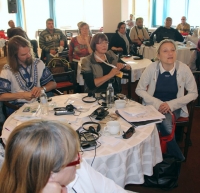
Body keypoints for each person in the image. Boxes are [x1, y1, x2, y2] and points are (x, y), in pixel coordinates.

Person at [0, 120, 129, 193]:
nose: (80, 159)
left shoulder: (81, 169)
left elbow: (111, 189)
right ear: (50, 175)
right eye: (76, 158)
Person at [136, 39, 198, 161]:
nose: (170, 53)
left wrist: (170, 104)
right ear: (158, 55)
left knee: (164, 123)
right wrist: (158, 103)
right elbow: (139, 89)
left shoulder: (184, 68)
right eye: (165, 51)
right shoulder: (152, 68)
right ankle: (175, 154)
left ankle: (159, 155)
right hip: (153, 105)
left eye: (172, 50)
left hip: (175, 106)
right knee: (153, 124)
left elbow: (194, 93)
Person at [0, 36, 56, 110]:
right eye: (24, 54)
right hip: (18, 108)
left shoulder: (38, 63)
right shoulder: (7, 70)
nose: (29, 55)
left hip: (40, 105)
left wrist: (42, 89)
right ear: (14, 56)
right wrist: (22, 95)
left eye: (29, 51)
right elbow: (2, 96)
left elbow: (53, 84)